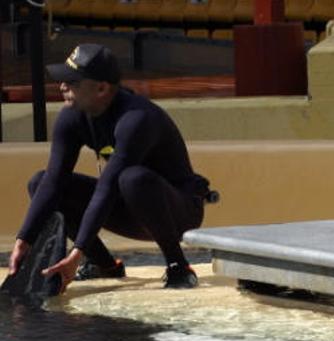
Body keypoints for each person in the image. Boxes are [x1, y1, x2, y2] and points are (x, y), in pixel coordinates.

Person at [7, 44, 212, 291]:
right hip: (127, 208)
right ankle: (104, 265)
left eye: (72, 82)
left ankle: (178, 266)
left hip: (177, 211)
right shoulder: (72, 116)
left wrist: (76, 253)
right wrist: (24, 239)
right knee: (39, 182)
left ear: (102, 88)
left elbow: (107, 187)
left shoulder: (136, 118)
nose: (62, 87)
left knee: (131, 178)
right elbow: (54, 181)